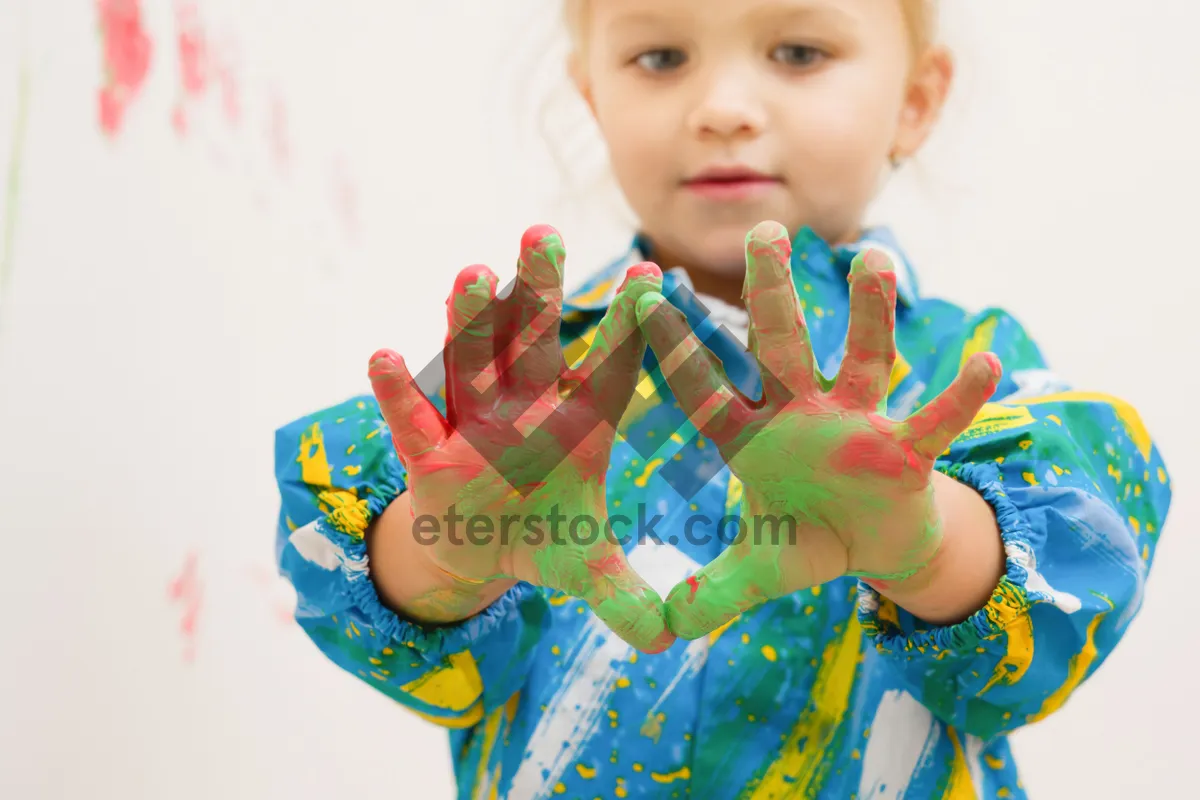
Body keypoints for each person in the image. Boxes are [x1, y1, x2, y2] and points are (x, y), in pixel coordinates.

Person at [273, 0, 1172, 797]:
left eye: (799, 52)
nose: (723, 110)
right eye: (661, 58)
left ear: (917, 99)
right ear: (593, 96)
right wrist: (444, 549)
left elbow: (1068, 603)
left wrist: (928, 543)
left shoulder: (966, 371)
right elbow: (398, 637)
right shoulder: (515, 386)